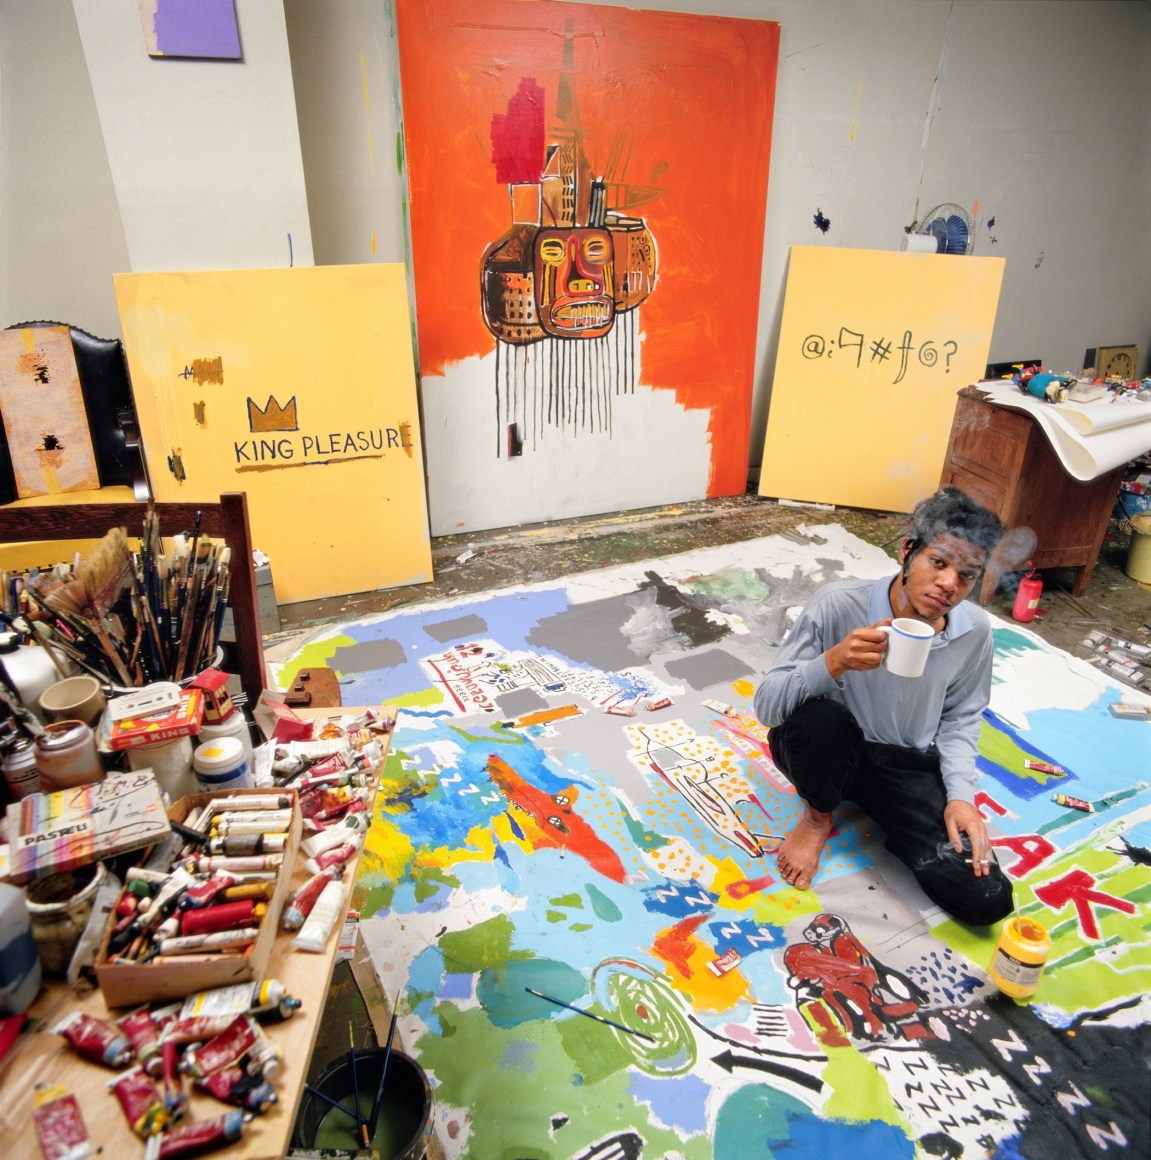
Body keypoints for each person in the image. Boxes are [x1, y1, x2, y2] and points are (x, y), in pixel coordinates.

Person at [754, 486, 1014, 926]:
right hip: (828, 750)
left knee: (986, 896)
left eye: (967, 575)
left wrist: (961, 798)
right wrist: (833, 661)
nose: (949, 584)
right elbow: (768, 708)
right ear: (907, 552)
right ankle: (818, 817)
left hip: (905, 762)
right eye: (938, 562)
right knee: (819, 720)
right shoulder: (839, 604)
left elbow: (961, 716)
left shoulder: (973, 631)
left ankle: (888, 812)